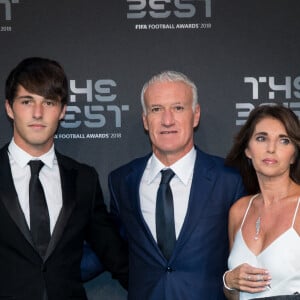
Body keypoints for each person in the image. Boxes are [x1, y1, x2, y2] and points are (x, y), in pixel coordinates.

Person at [108, 70, 246, 299]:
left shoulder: (229, 179)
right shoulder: (122, 181)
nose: (167, 120)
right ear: (145, 120)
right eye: (156, 109)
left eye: (178, 108)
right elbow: (116, 251)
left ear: (196, 115)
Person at [0, 57, 128, 300]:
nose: (38, 113)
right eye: (27, 101)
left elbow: (114, 254)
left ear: (62, 110)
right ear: (9, 108)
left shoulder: (84, 180)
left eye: (48, 102)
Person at [223, 105, 300, 299]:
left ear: (294, 154)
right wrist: (229, 282)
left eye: (284, 140)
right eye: (261, 138)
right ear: (247, 149)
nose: (271, 148)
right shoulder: (239, 210)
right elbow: (235, 296)